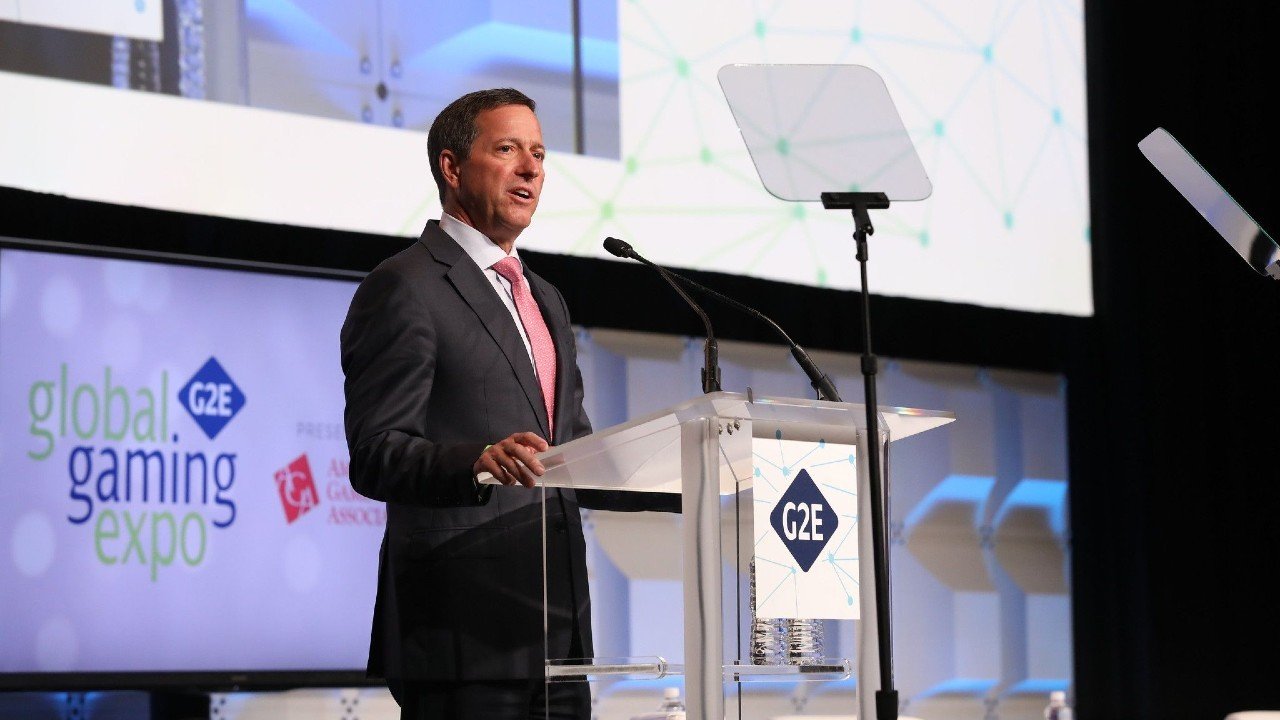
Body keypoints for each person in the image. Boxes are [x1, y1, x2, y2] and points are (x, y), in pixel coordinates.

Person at [341, 89, 673, 719]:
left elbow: (572, 452)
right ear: (451, 167)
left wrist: (691, 475)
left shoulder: (546, 297)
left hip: (557, 636)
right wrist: (478, 462)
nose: (530, 169)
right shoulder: (404, 286)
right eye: (507, 150)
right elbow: (376, 453)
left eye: (539, 155)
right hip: (462, 637)